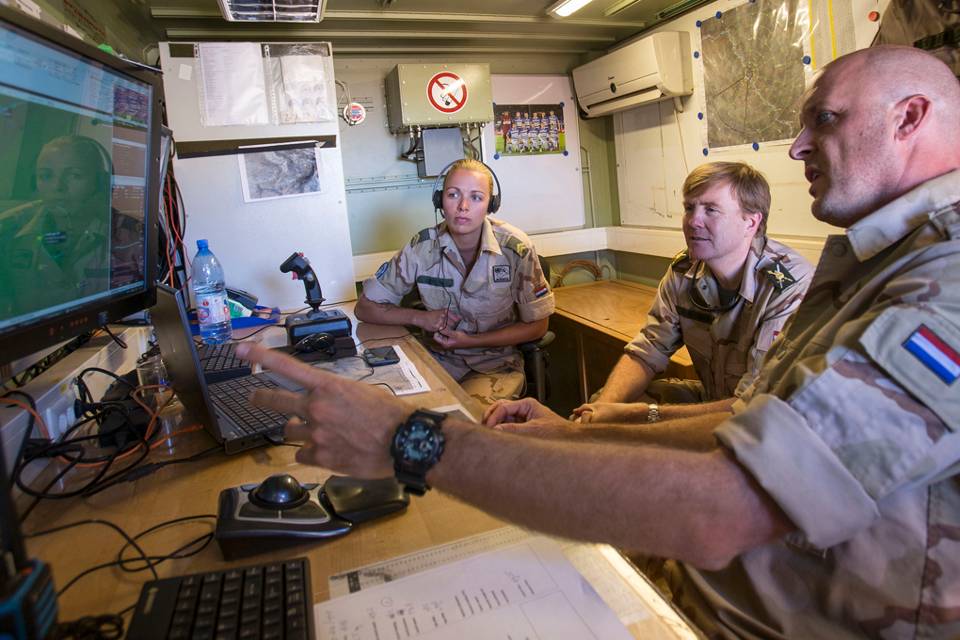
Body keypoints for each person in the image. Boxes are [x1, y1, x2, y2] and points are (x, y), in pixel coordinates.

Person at [238, 45, 960, 638]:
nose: (797, 146)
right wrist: (574, 431)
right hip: (723, 593)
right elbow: (754, 420)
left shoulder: (941, 283)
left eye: (824, 118)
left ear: (910, 118)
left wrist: (412, 441)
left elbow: (725, 507)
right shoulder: (878, 262)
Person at [575, 162, 812, 425]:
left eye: (711, 210)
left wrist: (641, 414)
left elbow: (754, 404)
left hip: (768, 422)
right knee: (605, 401)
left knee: (633, 415)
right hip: (715, 398)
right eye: (689, 208)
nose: (693, 221)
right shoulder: (684, 271)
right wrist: (600, 411)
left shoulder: (787, 286)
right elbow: (649, 348)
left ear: (750, 222)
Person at [355, 159, 554, 405]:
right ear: (440, 201)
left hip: (494, 366)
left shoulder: (515, 248)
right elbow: (365, 308)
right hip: (436, 360)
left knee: (467, 420)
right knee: (392, 411)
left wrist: (472, 341)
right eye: (453, 194)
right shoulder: (422, 247)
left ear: (491, 205)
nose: (463, 206)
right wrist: (420, 318)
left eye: (476, 197)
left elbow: (538, 326)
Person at [0, 134, 143, 319]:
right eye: (46, 176)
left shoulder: (132, 236)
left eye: (75, 175)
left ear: (101, 183)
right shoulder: (7, 232)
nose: (58, 187)